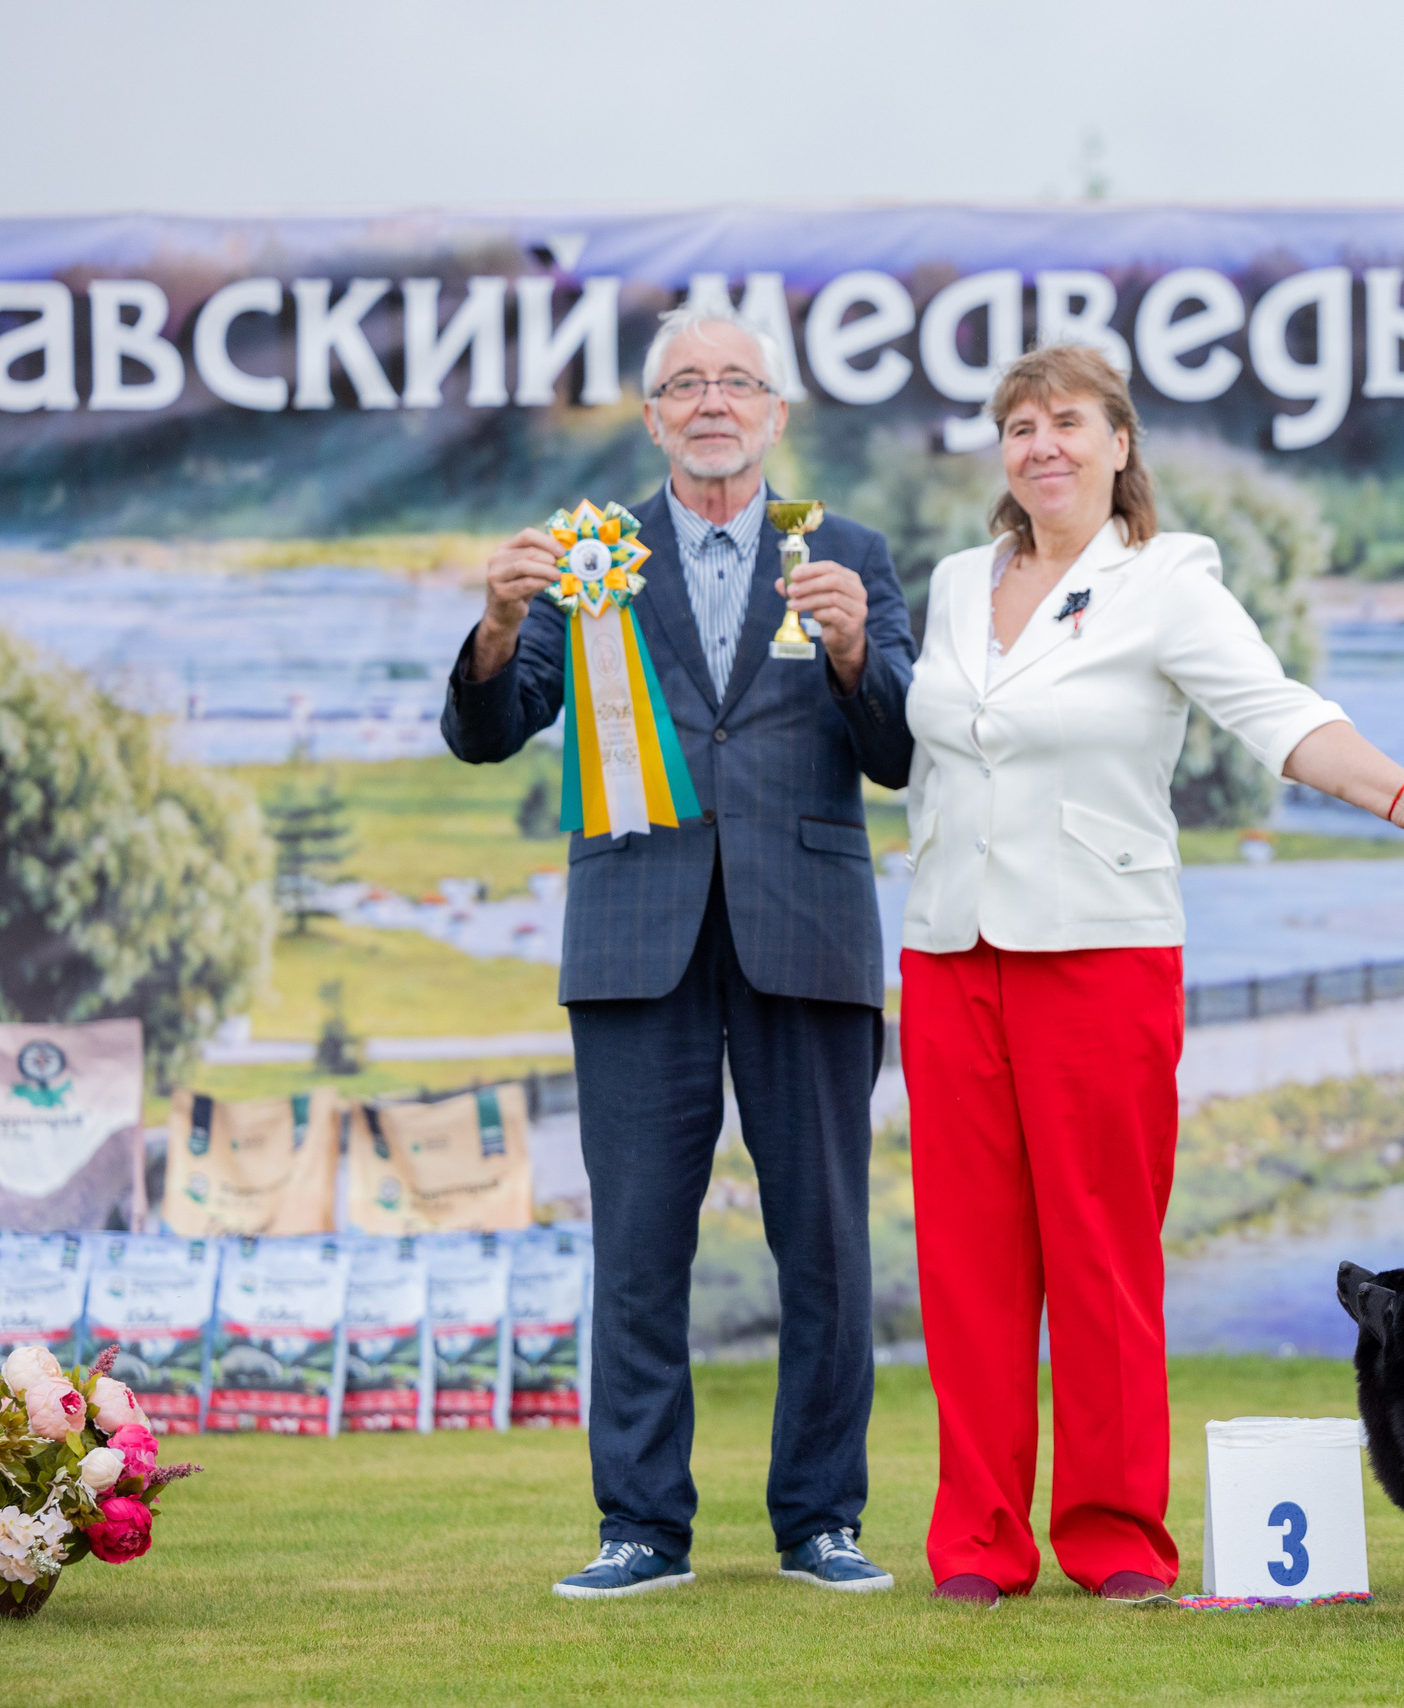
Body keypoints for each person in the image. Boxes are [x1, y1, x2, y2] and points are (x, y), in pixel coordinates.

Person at [898, 344, 1404, 1606]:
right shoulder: (953, 583)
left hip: (1099, 958)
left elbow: (1276, 714)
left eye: (1067, 422)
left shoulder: (1167, 579)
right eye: (1019, 425)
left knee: (1101, 1258)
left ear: (1119, 443)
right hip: (949, 958)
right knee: (965, 1266)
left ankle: (1113, 1538)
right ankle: (978, 1543)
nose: (1041, 444)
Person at [440, 300, 914, 1599]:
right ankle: (641, 1528)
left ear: (774, 412)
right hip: (633, 937)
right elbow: (493, 728)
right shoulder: (591, 553)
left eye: (738, 382)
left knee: (823, 1243)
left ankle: (822, 1520)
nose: (714, 402)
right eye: (685, 384)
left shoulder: (851, 552)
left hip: (806, 935)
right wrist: (490, 626)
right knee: (639, 1247)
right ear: (652, 417)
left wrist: (861, 649)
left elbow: (902, 752)